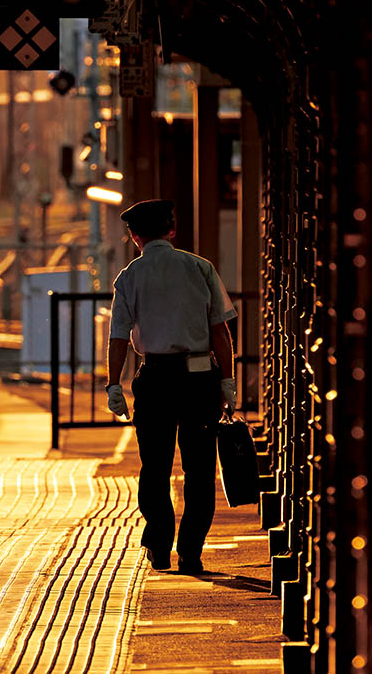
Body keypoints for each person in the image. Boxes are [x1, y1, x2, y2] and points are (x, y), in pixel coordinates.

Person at [105, 199, 237, 575]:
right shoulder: (200, 268)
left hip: (156, 379)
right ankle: (191, 551)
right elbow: (219, 331)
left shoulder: (130, 277)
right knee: (199, 468)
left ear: (134, 236)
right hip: (199, 380)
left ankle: (160, 544)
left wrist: (113, 384)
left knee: (155, 466)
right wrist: (227, 380)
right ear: (172, 230)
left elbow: (118, 337)